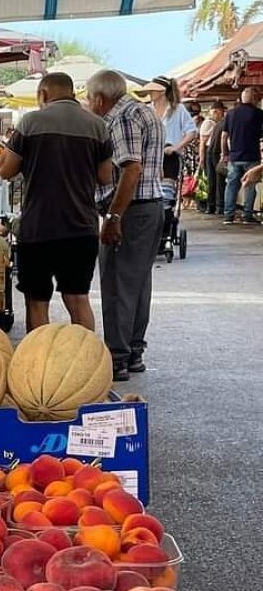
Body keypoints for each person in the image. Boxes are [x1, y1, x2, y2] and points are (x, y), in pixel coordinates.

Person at [0, 72, 113, 332]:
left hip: (38, 228)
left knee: (37, 301)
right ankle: (86, 360)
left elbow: (5, 171)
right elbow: (106, 177)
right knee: (77, 298)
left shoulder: (30, 123)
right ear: (72, 93)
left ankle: (39, 362)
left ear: (43, 95)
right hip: (81, 227)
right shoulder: (97, 125)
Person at [87, 68, 166, 382]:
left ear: (101, 98)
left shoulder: (121, 117)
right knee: (137, 282)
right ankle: (133, 352)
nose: (90, 106)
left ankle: (118, 356)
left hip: (132, 210)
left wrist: (114, 217)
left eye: (91, 99)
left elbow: (131, 169)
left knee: (118, 283)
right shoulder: (145, 112)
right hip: (150, 207)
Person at [143, 77, 198, 185]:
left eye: (153, 90)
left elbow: (192, 131)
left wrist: (176, 147)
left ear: (162, 91)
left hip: (169, 157)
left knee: (166, 192)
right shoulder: (147, 109)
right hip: (149, 156)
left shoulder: (178, 109)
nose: (150, 93)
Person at [221, 87, 263, 224]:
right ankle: (247, 215)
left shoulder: (230, 114)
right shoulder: (258, 114)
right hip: (252, 156)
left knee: (231, 185)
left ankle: (228, 215)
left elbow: (224, 136)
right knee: (250, 186)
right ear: (253, 98)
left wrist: (225, 154)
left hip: (234, 156)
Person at [199, 101, 227, 215]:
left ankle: (214, 206)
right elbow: (203, 141)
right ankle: (213, 206)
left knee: (216, 180)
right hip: (211, 152)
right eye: (221, 111)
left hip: (213, 152)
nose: (222, 114)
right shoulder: (208, 123)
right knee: (214, 180)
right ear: (215, 111)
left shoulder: (217, 123)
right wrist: (202, 157)